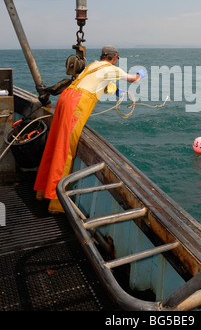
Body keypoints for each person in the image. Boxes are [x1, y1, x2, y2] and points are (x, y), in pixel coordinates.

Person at [34, 45, 146, 213]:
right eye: (118, 59)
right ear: (115, 58)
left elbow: (98, 82)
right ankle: (56, 202)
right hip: (76, 103)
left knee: (54, 143)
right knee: (66, 149)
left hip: (66, 97)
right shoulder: (111, 68)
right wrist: (140, 75)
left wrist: (115, 91)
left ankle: (42, 192)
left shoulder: (93, 65)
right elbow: (133, 79)